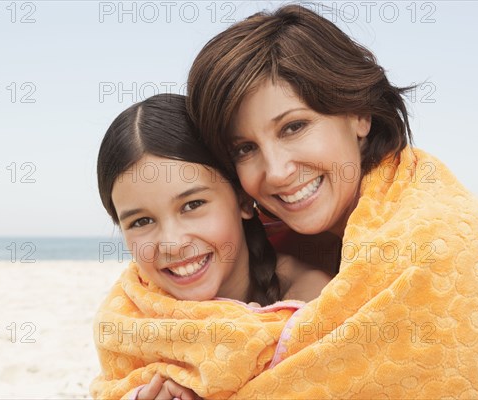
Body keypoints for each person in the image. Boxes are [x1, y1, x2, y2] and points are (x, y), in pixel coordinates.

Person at [186, 4, 478, 399]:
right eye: (245, 149)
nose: (277, 171)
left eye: (294, 127)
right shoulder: (264, 243)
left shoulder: (433, 247)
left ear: (358, 113)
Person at [91, 93, 331, 399]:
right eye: (140, 222)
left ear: (244, 199)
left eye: (192, 204)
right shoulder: (128, 314)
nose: (173, 244)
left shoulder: (310, 300)